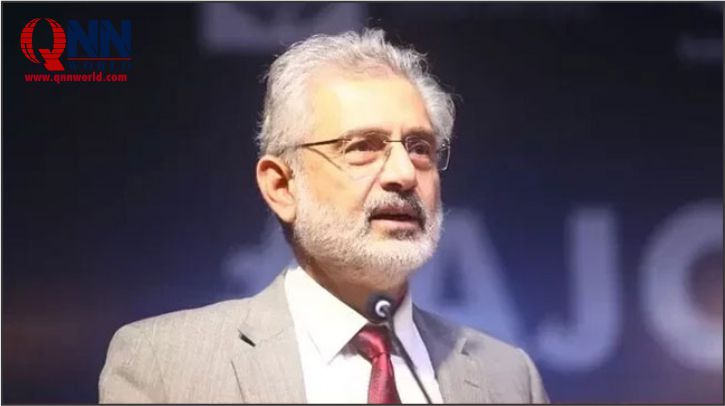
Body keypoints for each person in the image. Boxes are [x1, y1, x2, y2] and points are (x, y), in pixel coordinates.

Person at [98, 28, 550, 404]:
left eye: (420, 148)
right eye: (363, 147)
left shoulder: (508, 378)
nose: (403, 173)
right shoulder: (166, 364)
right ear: (282, 186)